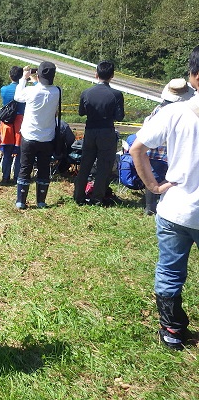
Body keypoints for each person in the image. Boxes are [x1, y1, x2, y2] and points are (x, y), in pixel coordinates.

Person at [129, 46, 199, 351]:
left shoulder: (174, 112)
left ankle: (171, 329)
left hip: (176, 208)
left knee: (170, 269)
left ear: (194, 76)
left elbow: (137, 149)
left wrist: (155, 187)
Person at [73, 61, 125, 206]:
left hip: (90, 130)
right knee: (104, 165)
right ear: (112, 76)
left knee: (85, 163)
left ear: (96, 74)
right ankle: (97, 197)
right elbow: (119, 116)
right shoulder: (116, 94)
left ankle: (78, 196)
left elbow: (81, 112)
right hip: (106, 131)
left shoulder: (86, 93)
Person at [141, 78, 195, 215]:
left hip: (153, 150)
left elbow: (146, 128)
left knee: (153, 177)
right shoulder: (187, 112)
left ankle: (149, 206)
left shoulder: (159, 109)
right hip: (171, 153)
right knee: (171, 181)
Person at [14, 63, 60, 209]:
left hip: (29, 135)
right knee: (44, 168)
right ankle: (41, 201)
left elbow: (17, 96)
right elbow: (44, 89)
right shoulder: (57, 92)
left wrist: (24, 78)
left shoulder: (30, 91)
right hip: (47, 137)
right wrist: (35, 80)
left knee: (25, 167)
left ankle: (21, 201)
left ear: (38, 76)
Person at [0, 66, 25, 184]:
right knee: (19, 152)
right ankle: (17, 177)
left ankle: (5, 177)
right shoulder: (24, 89)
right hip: (20, 121)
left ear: (10, 76)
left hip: (7, 122)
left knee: (7, 152)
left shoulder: (3, 89)